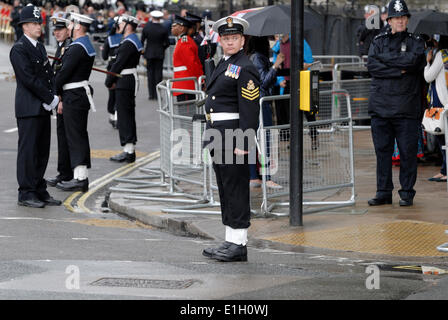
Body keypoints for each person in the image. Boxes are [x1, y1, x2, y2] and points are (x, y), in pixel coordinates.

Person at [201, 16, 260, 262]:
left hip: (234, 135)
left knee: (235, 188)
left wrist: (245, 142)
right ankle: (230, 239)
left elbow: (250, 108)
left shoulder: (244, 66)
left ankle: (239, 243)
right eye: (226, 38)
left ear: (243, 40)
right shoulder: (224, 63)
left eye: (234, 38)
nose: (230, 42)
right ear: (221, 41)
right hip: (218, 134)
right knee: (225, 187)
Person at [367, 0, 425, 207]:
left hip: (407, 108)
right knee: (382, 152)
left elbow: (413, 61)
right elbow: (372, 66)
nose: (400, 21)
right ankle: (383, 191)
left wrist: (388, 62)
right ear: (389, 20)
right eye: (396, 17)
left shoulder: (417, 41)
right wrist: (398, 70)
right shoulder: (378, 40)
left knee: (408, 153)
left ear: (407, 19)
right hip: (380, 108)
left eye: (403, 17)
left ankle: (407, 192)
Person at [9, 4, 61, 208]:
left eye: (39, 22)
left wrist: (53, 95)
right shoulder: (19, 49)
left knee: (42, 151)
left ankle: (39, 189)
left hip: (42, 107)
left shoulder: (38, 47)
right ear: (24, 27)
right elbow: (29, 79)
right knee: (28, 152)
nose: (38, 26)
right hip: (29, 107)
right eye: (33, 23)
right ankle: (26, 192)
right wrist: (51, 98)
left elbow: (48, 75)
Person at [54, 12, 96, 192]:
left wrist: (53, 93)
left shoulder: (78, 47)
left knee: (75, 137)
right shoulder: (83, 45)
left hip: (74, 95)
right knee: (78, 135)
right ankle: (79, 176)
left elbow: (63, 74)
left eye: (70, 24)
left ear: (77, 26)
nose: (68, 27)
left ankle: (80, 178)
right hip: (77, 95)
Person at [246, 36, 284, 189]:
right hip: (261, 104)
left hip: (254, 103)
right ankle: (266, 177)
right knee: (265, 139)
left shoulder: (254, 57)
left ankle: (255, 176)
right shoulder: (258, 58)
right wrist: (275, 66)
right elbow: (263, 82)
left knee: (255, 140)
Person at [106, 14, 143, 164]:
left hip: (124, 81)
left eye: (121, 23)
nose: (118, 26)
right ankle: (129, 149)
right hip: (126, 79)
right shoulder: (131, 41)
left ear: (128, 25)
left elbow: (118, 64)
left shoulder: (128, 43)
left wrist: (109, 80)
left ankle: (128, 151)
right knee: (126, 115)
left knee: (124, 116)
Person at [45, 14, 74, 188]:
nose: (56, 33)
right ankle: (63, 173)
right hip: (60, 98)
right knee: (62, 137)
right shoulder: (61, 47)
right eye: (54, 30)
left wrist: (59, 98)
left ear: (68, 30)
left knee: (67, 137)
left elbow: (64, 76)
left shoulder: (68, 48)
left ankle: (67, 174)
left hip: (66, 99)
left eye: (60, 29)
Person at [424, 35, 448, 182]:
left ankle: (445, 171)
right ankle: (444, 169)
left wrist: (428, 63)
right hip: (446, 101)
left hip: (440, 101)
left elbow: (428, 77)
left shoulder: (441, 54)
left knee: (442, 138)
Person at [170, 14, 203, 108]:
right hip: (183, 84)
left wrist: (201, 80)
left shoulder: (185, 42)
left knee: (187, 117)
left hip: (186, 85)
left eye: (174, 26)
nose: (171, 28)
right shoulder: (182, 41)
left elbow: (192, 64)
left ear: (181, 28)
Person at [141, 10, 170, 100]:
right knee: (158, 74)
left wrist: (143, 51)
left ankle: (151, 94)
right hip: (159, 53)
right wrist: (162, 48)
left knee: (150, 74)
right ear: (160, 18)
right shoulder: (163, 28)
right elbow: (167, 43)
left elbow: (142, 41)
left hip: (149, 53)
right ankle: (157, 94)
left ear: (152, 17)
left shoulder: (147, 27)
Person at [102, 16, 121, 128]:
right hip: (122, 69)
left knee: (112, 93)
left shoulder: (109, 39)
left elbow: (104, 57)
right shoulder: (125, 38)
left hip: (111, 68)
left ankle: (113, 115)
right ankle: (118, 115)